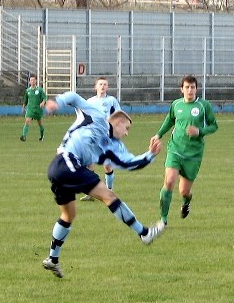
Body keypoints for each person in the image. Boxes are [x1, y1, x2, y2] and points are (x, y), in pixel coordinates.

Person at [41, 91, 164, 278]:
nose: (127, 133)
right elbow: (74, 98)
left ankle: (53, 259)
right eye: (127, 128)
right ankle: (144, 233)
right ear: (119, 121)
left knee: (69, 214)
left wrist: (150, 155)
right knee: (109, 196)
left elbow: (128, 163)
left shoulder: (113, 146)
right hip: (65, 160)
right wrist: (57, 103)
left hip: (62, 169)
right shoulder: (96, 114)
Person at [152, 75, 218, 226]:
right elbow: (170, 120)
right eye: (187, 87)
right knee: (169, 182)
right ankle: (163, 219)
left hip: (194, 154)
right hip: (175, 149)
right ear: (181, 89)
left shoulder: (203, 105)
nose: (190, 90)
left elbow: (214, 125)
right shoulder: (176, 105)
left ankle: (186, 203)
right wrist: (158, 134)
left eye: (192, 87)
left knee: (184, 191)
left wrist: (199, 131)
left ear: (196, 89)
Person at [80, 76, 122, 201]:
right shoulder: (89, 101)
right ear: (95, 87)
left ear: (107, 87)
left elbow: (119, 116)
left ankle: (109, 191)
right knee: (89, 164)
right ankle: (91, 192)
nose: (103, 86)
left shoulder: (111, 101)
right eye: (100, 84)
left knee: (107, 164)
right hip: (92, 135)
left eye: (105, 84)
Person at [21, 75, 46, 141]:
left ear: (36, 81)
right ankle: (24, 136)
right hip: (30, 109)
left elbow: (44, 98)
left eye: (34, 80)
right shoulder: (27, 91)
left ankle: (42, 136)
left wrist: (43, 103)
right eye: (31, 80)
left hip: (38, 109)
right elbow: (25, 100)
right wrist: (23, 107)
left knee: (40, 124)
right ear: (29, 82)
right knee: (27, 121)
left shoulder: (40, 90)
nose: (32, 81)